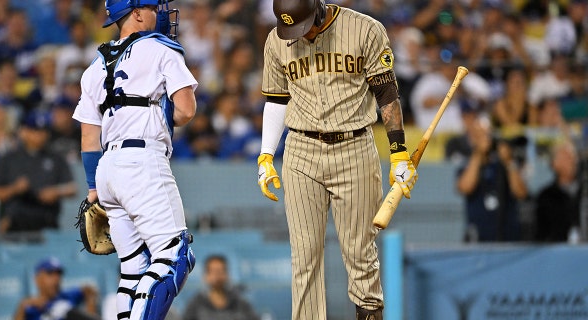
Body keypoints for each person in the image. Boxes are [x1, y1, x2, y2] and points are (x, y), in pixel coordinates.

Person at [257, 1, 418, 319]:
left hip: (354, 147)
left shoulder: (365, 29)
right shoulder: (278, 39)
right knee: (305, 257)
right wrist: (265, 155)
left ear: (318, 9)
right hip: (301, 149)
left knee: (361, 253)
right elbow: (276, 99)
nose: (299, 36)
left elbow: (386, 94)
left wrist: (398, 152)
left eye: (303, 26)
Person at [72, 1, 197, 319]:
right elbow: (186, 109)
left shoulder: (94, 66)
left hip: (106, 171)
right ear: (137, 14)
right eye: (153, 7)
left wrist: (92, 192)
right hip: (142, 161)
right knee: (175, 255)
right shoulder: (161, 49)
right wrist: (157, 112)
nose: (160, 13)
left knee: (134, 268)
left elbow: (89, 139)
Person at [0, 110, 77, 234]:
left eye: (44, 130)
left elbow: (72, 188)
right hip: (15, 225)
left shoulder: (55, 158)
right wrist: (14, 189)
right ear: (24, 132)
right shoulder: (9, 158)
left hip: (47, 221)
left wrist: (56, 191)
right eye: (35, 130)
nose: (41, 135)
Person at [456, 115, 528, 242]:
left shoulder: (505, 164)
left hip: (507, 236)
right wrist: (478, 153)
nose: (485, 139)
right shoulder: (466, 165)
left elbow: (521, 193)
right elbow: (465, 187)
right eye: (479, 135)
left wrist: (509, 161)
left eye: (487, 135)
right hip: (479, 238)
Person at [14, 257, 99, 320]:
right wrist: (22, 308)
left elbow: (90, 291)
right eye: (50, 273)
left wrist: (90, 305)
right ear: (37, 279)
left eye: (59, 274)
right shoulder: (31, 308)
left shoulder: (67, 296)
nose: (56, 278)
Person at [183, 255, 259, 320]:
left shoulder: (240, 303)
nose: (217, 276)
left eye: (221, 271)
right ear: (206, 276)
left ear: (227, 274)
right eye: (214, 272)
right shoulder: (196, 304)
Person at [535, 141, 583, 242]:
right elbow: (542, 233)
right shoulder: (546, 196)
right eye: (566, 158)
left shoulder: (584, 192)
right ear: (554, 164)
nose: (571, 162)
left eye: (573, 157)